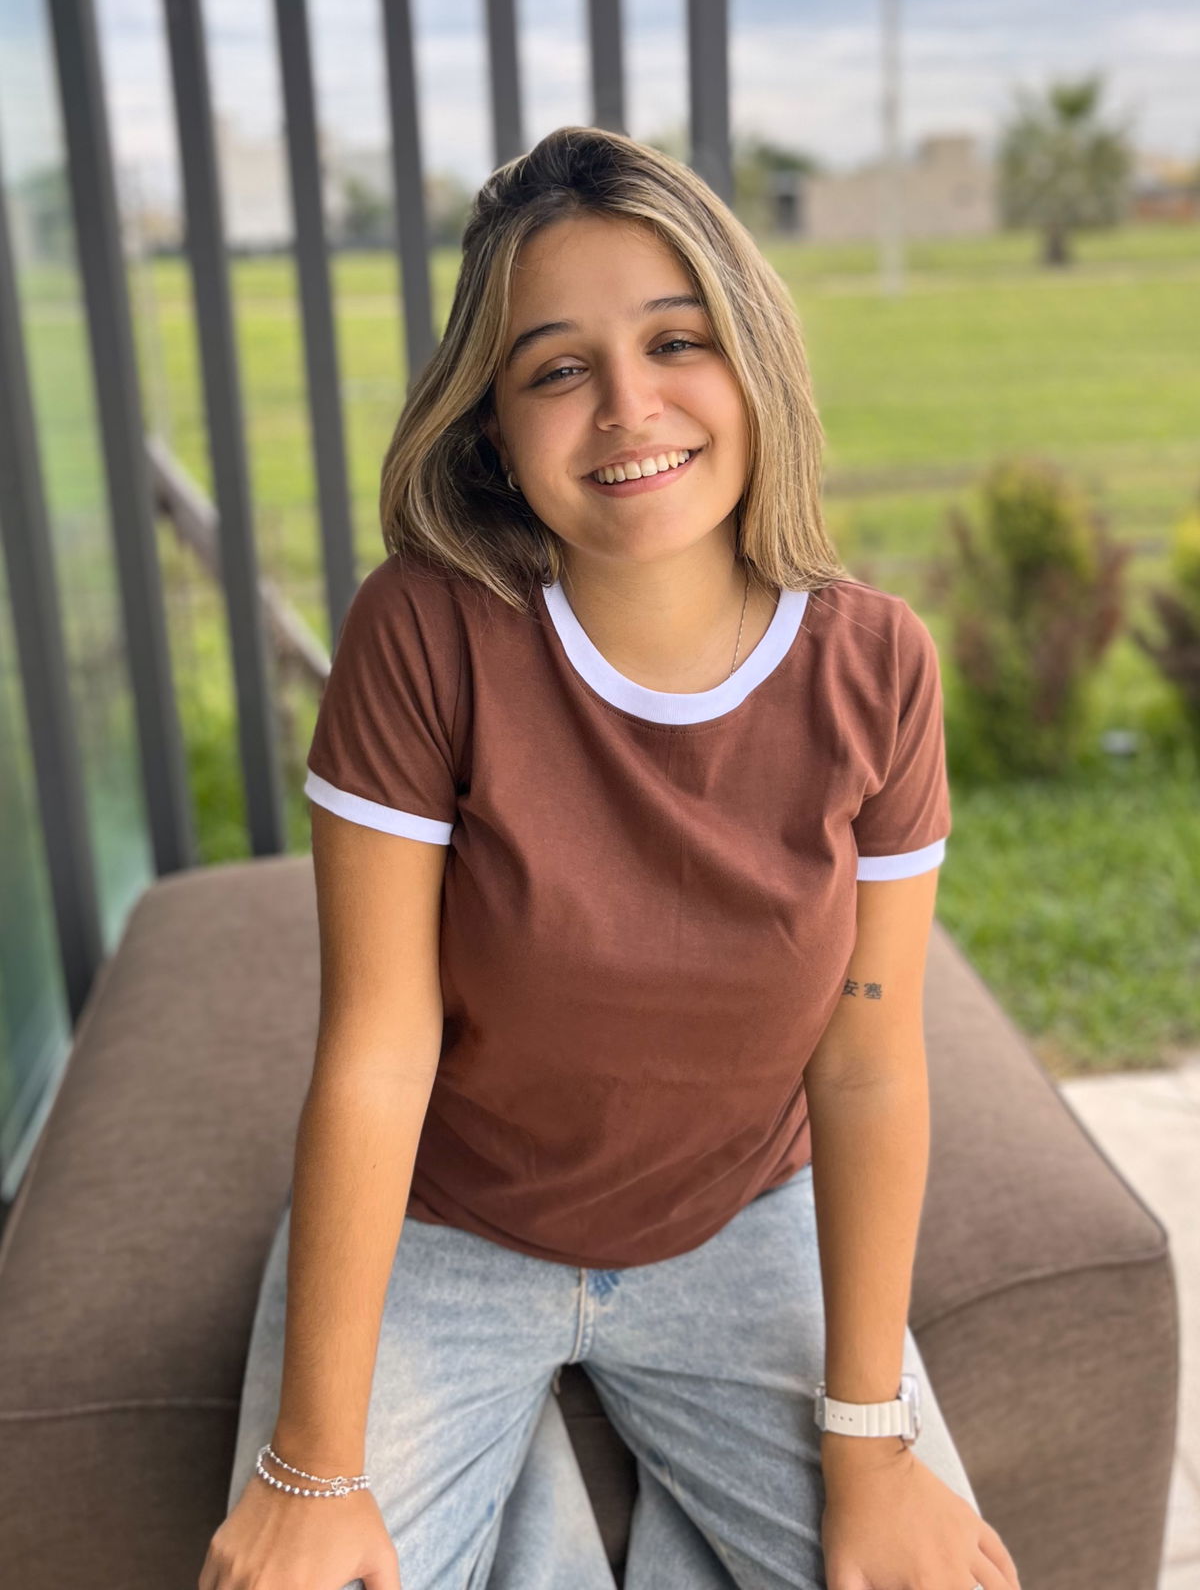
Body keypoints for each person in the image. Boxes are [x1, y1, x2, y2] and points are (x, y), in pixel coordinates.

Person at [201, 125, 1023, 1590]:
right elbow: (377, 1045)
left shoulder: (877, 666)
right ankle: (531, 1492)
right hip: (448, 1236)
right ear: (493, 430)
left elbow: (867, 1060)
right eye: (557, 370)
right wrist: (313, 1467)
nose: (628, 408)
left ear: (752, 360)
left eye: (676, 342)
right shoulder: (424, 631)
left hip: (737, 1226)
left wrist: (870, 1441)